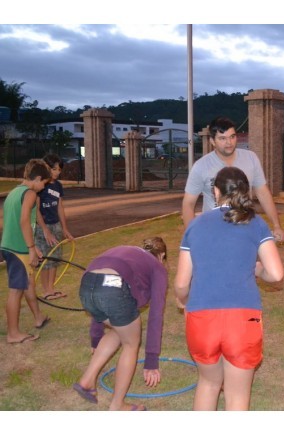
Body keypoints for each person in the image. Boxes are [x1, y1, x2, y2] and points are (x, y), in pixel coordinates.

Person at [175, 166, 284, 411]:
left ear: (215, 192)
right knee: (237, 395)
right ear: (246, 191)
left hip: (202, 317)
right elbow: (276, 274)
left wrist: (183, 300)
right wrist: (258, 270)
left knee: (208, 383)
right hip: (243, 319)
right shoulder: (256, 224)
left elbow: (181, 284)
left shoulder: (195, 225)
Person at [73, 237, 168, 411]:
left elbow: (100, 288)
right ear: (161, 255)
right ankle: (118, 405)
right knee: (131, 343)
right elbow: (156, 315)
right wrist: (151, 361)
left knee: (121, 329)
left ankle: (87, 381)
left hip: (86, 286)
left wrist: (96, 338)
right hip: (113, 289)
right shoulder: (157, 266)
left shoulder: (128, 252)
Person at [182, 116, 284, 242]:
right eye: (222, 138)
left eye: (232, 136)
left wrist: (276, 225)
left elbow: (263, 193)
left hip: (246, 229)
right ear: (212, 141)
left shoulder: (251, 158)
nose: (229, 142)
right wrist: (191, 237)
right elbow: (188, 204)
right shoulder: (201, 166)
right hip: (214, 232)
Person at [1, 159, 52, 344]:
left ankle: (38, 317)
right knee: (16, 291)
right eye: (44, 183)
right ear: (37, 178)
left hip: (12, 245)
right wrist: (30, 248)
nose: (43, 187)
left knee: (29, 283)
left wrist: (33, 247)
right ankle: (13, 334)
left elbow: (15, 222)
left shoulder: (14, 192)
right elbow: (24, 221)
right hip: (18, 249)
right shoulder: (30, 193)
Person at [34, 153, 74, 300]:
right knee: (45, 261)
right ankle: (46, 291)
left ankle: (52, 288)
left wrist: (65, 228)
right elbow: (36, 210)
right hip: (42, 228)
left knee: (55, 258)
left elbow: (59, 207)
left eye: (59, 169)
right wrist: (45, 230)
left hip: (55, 225)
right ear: (46, 168)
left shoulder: (58, 186)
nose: (57, 172)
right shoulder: (40, 186)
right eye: (54, 169)